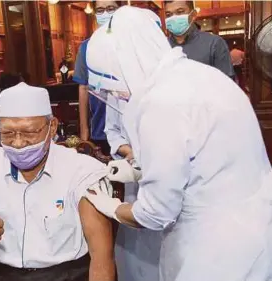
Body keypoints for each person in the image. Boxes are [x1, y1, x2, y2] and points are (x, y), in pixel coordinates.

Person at [84, 6, 272, 281]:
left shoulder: (159, 101)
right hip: (257, 232)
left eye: (115, 86)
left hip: (216, 249)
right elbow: (204, 156)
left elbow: (156, 213)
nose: (118, 96)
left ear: (126, 64)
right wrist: (141, 168)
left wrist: (112, 208)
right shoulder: (200, 75)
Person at [0, 82, 116, 281]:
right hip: (5, 275)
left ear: (52, 126)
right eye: (8, 133)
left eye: (29, 133)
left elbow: (101, 260)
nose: (18, 143)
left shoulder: (82, 171)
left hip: (68, 275)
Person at [104, 10, 162, 281]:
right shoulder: (118, 81)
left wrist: (149, 157)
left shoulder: (170, 84)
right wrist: (132, 155)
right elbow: (112, 131)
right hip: (133, 176)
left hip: (164, 173)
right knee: (135, 239)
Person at [73, 1, 121, 155]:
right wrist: (84, 129)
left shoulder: (130, 42)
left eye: (110, 9)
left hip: (129, 129)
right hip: (99, 129)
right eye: (100, 10)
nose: (105, 14)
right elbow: (83, 87)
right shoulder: (87, 47)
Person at [164, 1, 235, 79]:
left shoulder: (214, 44)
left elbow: (227, 85)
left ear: (193, 14)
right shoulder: (162, 46)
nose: (174, 18)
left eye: (180, 12)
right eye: (168, 15)